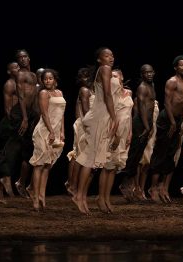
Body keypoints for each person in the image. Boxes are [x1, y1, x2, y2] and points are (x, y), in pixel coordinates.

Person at [73, 47, 119, 214]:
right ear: (99, 59)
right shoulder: (105, 69)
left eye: (112, 55)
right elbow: (107, 94)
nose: (111, 58)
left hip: (104, 115)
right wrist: (114, 117)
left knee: (94, 161)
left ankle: (82, 196)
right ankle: (78, 195)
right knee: (90, 158)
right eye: (107, 55)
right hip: (100, 115)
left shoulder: (107, 70)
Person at [148, 55, 183, 203]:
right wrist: (172, 122)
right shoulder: (172, 82)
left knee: (171, 153)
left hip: (177, 120)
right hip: (167, 119)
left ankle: (162, 187)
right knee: (160, 152)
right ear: (175, 67)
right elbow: (167, 102)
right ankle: (152, 188)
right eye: (182, 65)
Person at [29, 69, 66, 211]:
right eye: (45, 79)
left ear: (55, 79)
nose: (48, 81)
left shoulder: (60, 93)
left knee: (47, 165)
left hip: (56, 131)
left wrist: (62, 131)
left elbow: (61, 114)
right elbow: (44, 114)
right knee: (39, 164)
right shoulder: (44, 93)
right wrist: (51, 131)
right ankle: (35, 197)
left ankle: (42, 196)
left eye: (50, 78)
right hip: (44, 131)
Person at [118, 64, 156, 201]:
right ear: (142, 74)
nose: (149, 74)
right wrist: (147, 127)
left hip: (146, 124)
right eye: (146, 72)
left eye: (151, 72)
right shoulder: (142, 87)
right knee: (133, 156)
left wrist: (150, 126)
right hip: (140, 124)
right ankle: (125, 185)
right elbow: (141, 108)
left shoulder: (152, 86)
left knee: (138, 156)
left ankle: (128, 186)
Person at [0, 61, 19, 204]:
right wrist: (13, 123)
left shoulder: (23, 82)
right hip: (11, 122)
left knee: (13, 153)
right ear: (9, 71)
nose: (18, 68)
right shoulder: (10, 84)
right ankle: (0, 183)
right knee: (6, 153)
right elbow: (7, 107)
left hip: (20, 121)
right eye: (14, 67)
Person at [65, 68, 93, 197]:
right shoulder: (84, 90)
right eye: (83, 77)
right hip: (84, 124)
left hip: (87, 124)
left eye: (88, 77)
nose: (86, 79)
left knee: (80, 155)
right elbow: (86, 110)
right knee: (80, 156)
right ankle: (73, 185)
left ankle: (73, 184)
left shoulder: (91, 90)